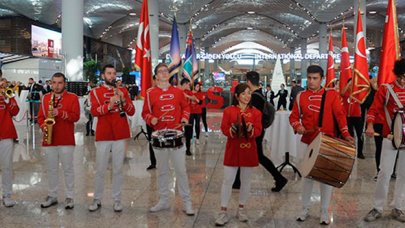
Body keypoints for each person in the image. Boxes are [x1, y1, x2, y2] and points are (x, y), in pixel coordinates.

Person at [289, 65, 353, 225]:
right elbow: (294, 117)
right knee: (307, 177)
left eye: (315, 78)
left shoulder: (332, 94)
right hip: (307, 142)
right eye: (309, 78)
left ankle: (324, 211)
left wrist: (346, 134)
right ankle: (304, 208)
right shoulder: (300, 96)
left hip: (328, 142)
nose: (311, 81)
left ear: (322, 78)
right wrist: (298, 126)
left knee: (326, 178)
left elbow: (340, 116)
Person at [142, 63, 194, 216]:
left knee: (181, 171)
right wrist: (151, 119)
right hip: (159, 137)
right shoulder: (150, 93)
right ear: (156, 76)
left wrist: (184, 119)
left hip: (176, 135)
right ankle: (164, 200)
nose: (164, 73)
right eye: (160, 71)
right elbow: (145, 112)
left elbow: (186, 108)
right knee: (162, 171)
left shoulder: (178, 92)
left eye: (166, 71)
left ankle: (187, 202)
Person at [88, 64, 135, 212]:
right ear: (103, 76)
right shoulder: (95, 92)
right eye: (109, 73)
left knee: (118, 169)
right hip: (104, 133)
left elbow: (132, 111)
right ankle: (97, 199)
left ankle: (117, 199)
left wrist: (123, 100)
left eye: (114, 73)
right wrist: (110, 105)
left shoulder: (123, 91)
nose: (112, 76)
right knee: (100, 168)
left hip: (120, 133)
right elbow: (94, 112)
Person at [364, 58, 405, 223]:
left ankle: (398, 207)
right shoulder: (386, 89)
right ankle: (378, 207)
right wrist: (370, 125)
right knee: (384, 173)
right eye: (400, 76)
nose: (402, 80)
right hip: (390, 137)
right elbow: (374, 109)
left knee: (404, 174)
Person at [215, 83, 262, 226]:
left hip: (249, 149)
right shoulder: (229, 111)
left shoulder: (256, 113)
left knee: (246, 181)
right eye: (243, 93)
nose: (247, 96)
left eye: (249, 93)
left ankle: (241, 209)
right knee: (227, 180)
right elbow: (224, 128)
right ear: (237, 96)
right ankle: (223, 211)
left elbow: (259, 130)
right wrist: (233, 130)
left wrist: (251, 129)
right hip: (233, 149)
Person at [234, 71, 287, 191]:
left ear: (248, 82)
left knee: (258, 156)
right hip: (257, 130)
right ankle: (237, 181)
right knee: (247, 153)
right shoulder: (259, 94)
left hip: (254, 131)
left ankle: (279, 178)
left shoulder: (255, 97)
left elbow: (252, 116)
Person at [37, 73, 80, 209]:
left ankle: (70, 197)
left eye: (59, 83)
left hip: (66, 139)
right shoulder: (45, 98)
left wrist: (60, 113)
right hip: (49, 139)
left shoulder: (72, 97)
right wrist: (44, 126)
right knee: (51, 169)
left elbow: (76, 117)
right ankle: (52, 195)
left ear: (64, 84)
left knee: (68, 169)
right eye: (54, 83)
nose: (56, 86)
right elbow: (39, 117)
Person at [0, 78, 19, 207]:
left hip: (6, 134)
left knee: (6, 166)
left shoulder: (8, 93)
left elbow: (16, 111)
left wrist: (7, 99)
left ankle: (7, 194)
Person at [340, 78, 365, 159]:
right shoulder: (345, 92)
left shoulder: (357, 92)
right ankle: (350, 152)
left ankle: (360, 153)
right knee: (350, 135)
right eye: (350, 85)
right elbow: (342, 93)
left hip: (357, 116)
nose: (351, 86)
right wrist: (348, 84)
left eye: (352, 84)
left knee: (360, 135)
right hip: (348, 117)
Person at [180, 78, 198, 156]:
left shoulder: (189, 92)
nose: (189, 86)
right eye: (188, 84)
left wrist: (187, 95)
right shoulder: (178, 91)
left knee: (189, 132)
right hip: (179, 114)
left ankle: (188, 149)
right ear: (185, 84)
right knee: (178, 131)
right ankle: (178, 148)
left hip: (188, 114)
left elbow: (195, 99)